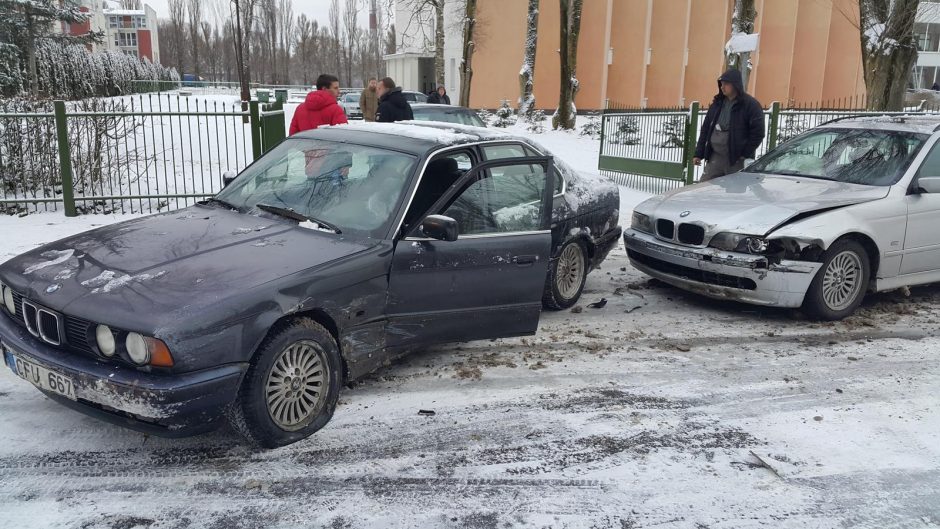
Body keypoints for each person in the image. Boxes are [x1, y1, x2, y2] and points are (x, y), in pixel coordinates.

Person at [693, 69, 765, 181]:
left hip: (737, 160)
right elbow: (706, 129)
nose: (722, 87)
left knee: (734, 192)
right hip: (715, 157)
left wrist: (744, 153)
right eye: (721, 84)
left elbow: (758, 133)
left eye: (726, 84)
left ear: (735, 85)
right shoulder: (717, 104)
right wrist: (698, 153)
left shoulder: (750, 105)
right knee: (704, 188)